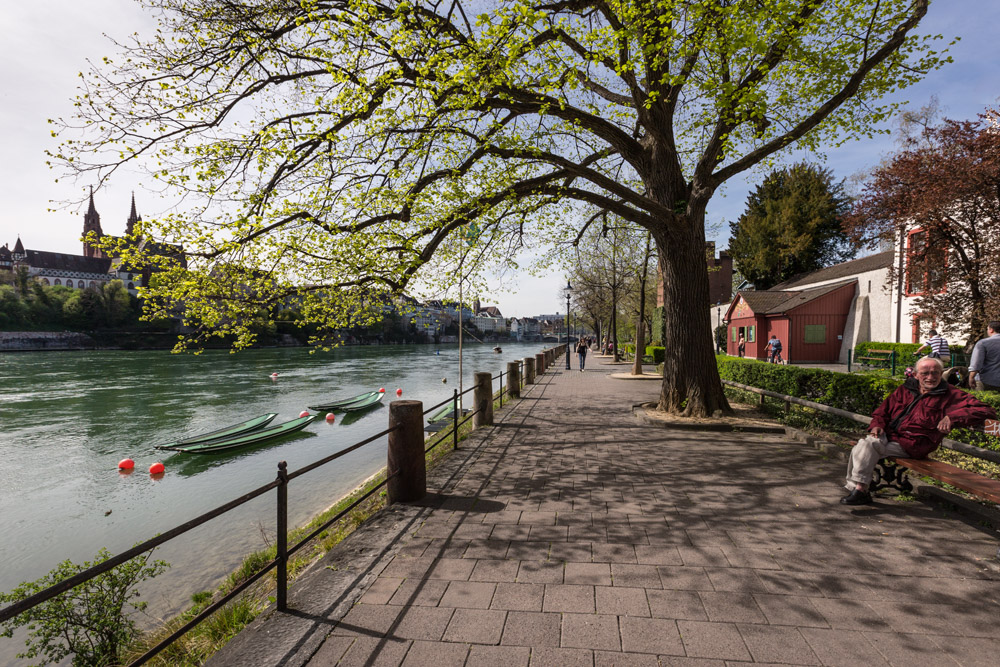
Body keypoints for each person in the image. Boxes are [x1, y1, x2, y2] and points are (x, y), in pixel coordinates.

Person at [840, 356, 996, 505]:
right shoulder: (905, 389)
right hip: (890, 435)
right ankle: (859, 490)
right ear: (915, 375)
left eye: (935, 372)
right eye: (925, 373)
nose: (930, 377)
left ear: (941, 374)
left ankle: (858, 489)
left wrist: (953, 417)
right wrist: (877, 425)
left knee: (866, 445)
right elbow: (883, 411)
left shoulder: (951, 394)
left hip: (914, 444)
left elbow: (986, 410)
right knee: (865, 444)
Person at [968, 320, 1000, 391]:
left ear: (991, 330)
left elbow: (976, 363)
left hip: (986, 380)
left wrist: (971, 377)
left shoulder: (983, 343)